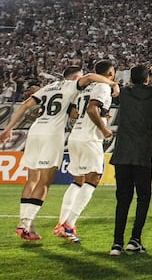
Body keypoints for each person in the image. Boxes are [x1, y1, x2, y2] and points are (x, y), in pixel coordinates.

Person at [0, 66, 117, 241]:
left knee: (32, 179)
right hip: (52, 134)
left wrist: (9, 128)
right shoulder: (72, 86)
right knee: (45, 182)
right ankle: (30, 224)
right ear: (75, 77)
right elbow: (92, 77)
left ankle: (25, 224)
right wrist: (113, 83)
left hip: (35, 131)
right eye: (80, 77)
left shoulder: (49, 87)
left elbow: (26, 105)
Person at [55, 60, 119, 243]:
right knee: (94, 177)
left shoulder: (85, 87)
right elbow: (91, 109)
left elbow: (75, 113)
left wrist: (102, 115)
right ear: (110, 73)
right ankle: (69, 225)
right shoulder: (103, 87)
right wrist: (104, 128)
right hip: (89, 138)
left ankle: (61, 224)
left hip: (76, 135)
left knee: (78, 179)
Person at [109, 62, 152, 256]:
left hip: (122, 153)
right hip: (142, 154)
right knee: (143, 197)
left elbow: (117, 88)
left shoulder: (124, 94)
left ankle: (117, 243)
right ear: (148, 79)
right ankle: (135, 240)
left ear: (130, 79)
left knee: (122, 199)